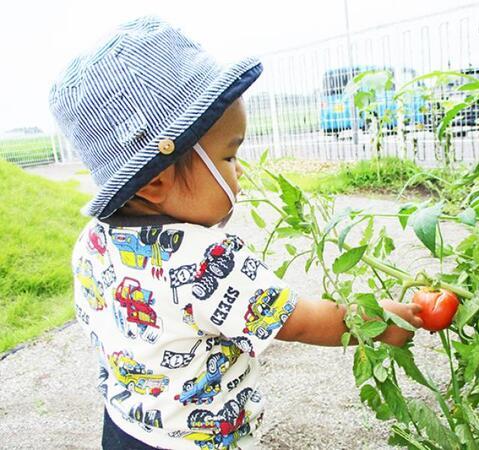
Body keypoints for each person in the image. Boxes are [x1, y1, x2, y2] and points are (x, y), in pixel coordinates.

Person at [49, 16, 423, 450]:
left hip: (125, 427)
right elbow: (299, 321)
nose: (239, 170)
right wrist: (379, 324)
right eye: (229, 157)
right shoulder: (204, 260)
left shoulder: (91, 241)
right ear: (155, 182)